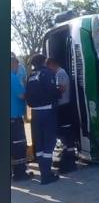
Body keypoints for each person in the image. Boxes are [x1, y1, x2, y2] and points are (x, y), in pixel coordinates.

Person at [26, 54, 61, 185]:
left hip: (35, 114)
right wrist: (59, 91)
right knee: (49, 143)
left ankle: (43, 173)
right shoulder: (47, 73)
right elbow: (53, 92)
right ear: (44, 62)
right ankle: (47, 176)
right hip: (48, 112)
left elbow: (28, 97)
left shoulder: (31, 76)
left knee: (39, 144)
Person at [46, 58, 77, 174]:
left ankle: (69, 161)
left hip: (64, 107)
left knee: (66, 133)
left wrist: (49, 91)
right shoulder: (59, 73)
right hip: (62, 107)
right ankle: (68, 159)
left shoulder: (60, 73)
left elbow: (61, 89)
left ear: (52, 65)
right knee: (63, 134)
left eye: (49, 68)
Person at [11, 56, 33, 181]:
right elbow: (22, 95)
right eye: (17, 66)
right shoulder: (12, 78)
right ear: (13, 65)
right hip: (14, 118)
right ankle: (20, 173)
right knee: (18, 145)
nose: (18, 68)